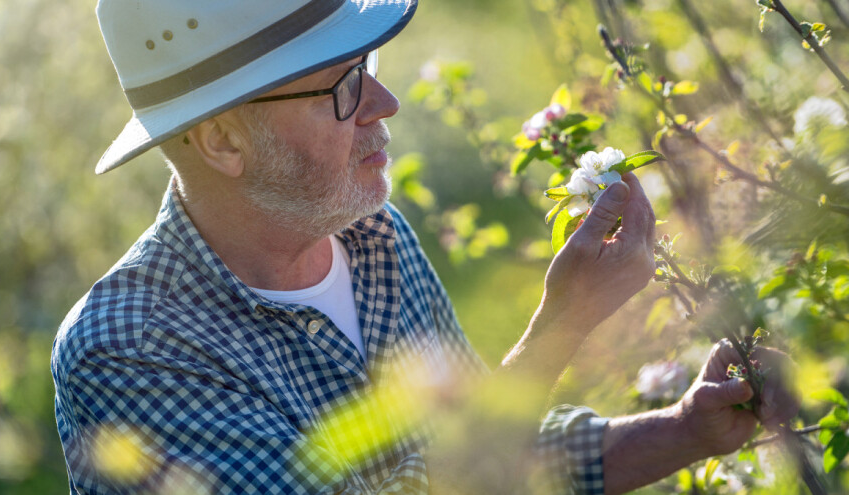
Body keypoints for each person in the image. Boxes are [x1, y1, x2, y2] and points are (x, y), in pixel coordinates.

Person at [51, 1, 799, 494]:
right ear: (222, 140)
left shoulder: (376, 238)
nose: (382, 105)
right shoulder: (129, 348)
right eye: (343, 87)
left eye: (367, 68)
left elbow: (490, 456)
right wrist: (559, 328)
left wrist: (684, 428)